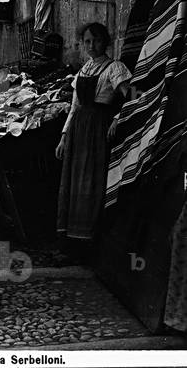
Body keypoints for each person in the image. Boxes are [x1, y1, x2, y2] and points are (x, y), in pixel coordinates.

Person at [55, 21, 131, 245]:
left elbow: (131, 95)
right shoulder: (82, 71)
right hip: (79, 129)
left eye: (96, 40)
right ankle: (73, 239)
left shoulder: (114, 68)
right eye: (87, 41)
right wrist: (63, 136)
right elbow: (74, 106)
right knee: (75, 181)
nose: (92, 45)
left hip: (98, 128)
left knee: (92, 180)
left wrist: (118, 118)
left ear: (105, 42)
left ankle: (91, 239)